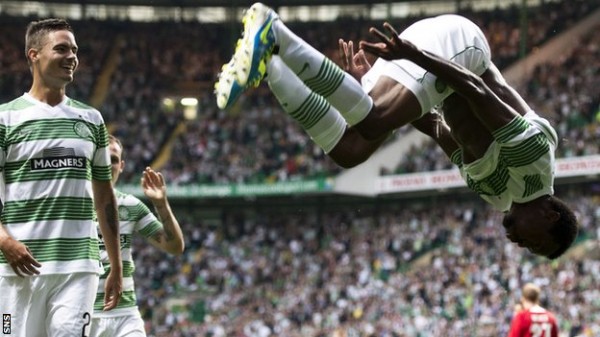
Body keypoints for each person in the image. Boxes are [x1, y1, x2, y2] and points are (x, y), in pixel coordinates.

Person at [214, 3, 578, 259]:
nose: (519, 244)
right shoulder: (535, 159)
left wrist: (359, 91)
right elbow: (476, 90)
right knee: (372, 121)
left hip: (441, 75)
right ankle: (274, 31)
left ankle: (271, 65)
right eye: (534, 244)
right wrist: (412, 56)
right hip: (460, 47)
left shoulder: (498, 197)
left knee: (349, 150)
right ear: (550, 217)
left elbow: (437, 127)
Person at [0, 18, 122, 336]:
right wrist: (3, 240)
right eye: (62, 48)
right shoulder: (6, 118)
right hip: (19, 268)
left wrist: (116, 265)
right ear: (34, 54)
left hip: (78, 267)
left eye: (75, 50)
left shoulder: (91, 119)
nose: (72, 57)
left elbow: (104, 197)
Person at [89, 135, 185, 337]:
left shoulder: (131, 206)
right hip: (83, 314)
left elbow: (174, 246)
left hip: (125, 315)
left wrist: (161, 204)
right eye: (102, 158)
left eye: (114, 160)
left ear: (121, 166)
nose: (108, 165)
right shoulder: (70, 204)